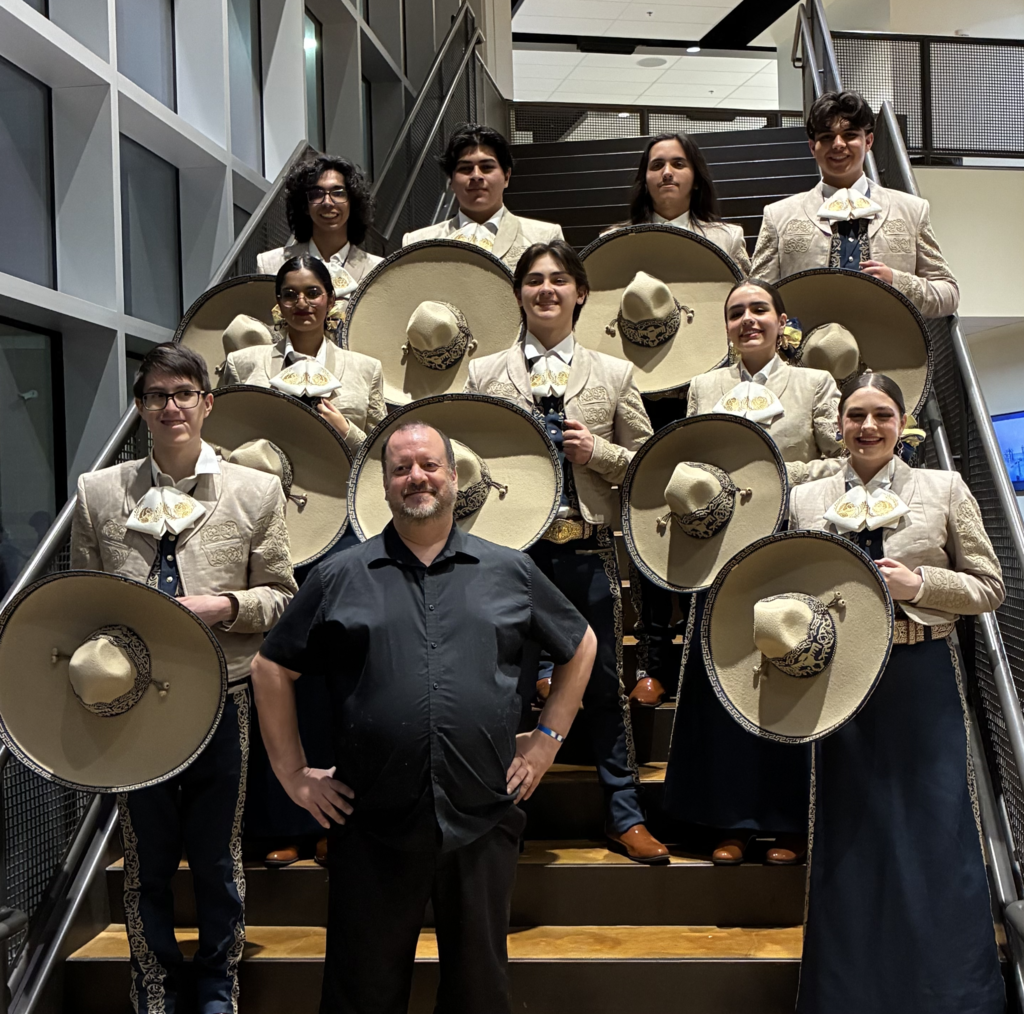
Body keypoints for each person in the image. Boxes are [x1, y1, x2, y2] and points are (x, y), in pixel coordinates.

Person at [250, 420, 597, 1014]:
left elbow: (581, 643)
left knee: (480, 991)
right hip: (370, 821)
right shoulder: (339, 575)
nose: (417, 477)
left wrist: (545, 741)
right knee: (363, 992)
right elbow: (270, 667)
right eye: (402, 468)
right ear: (383, 485)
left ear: (454, 477)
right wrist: (292, 774)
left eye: (429, 465)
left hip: (483, 814)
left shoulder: (509, 569)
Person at [70, 343, 296, 1014]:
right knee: (146, 858)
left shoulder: (254, 490)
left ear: (207, 403)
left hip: (221, 694)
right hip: (130, 704)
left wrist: (225, 605)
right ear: (140, 407)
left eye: (183, 394)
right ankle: (155, 983)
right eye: (157, 395)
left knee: (219, 855)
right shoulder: (99, 491)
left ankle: (219, 982)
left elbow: (283, 595)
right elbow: (82, 597)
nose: (171, 406)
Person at [789, 371, 1005, 1014]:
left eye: (882, 414)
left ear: (903, 423)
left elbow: (989, 586)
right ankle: (848, 994)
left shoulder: (944, 487)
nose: (867, 427)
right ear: (838, 424)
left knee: (938, 830)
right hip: (841, 684)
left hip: (920, 677)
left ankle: (952, 994)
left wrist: (920, 586)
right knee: (849, 834)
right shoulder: (806, 500)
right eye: (856, 415)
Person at [464, 239, 668, 864]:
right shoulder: (483, 374)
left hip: (588, 551)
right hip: (511, 556)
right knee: (504, 686)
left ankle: (623, 813)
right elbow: (468, 464)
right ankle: (497, 815)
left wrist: (597, 454)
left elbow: (648, 466)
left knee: (604, 686)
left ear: (580, 293)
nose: (546, 289)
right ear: (519, 294)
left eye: (558, 280)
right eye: (533, 280)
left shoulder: (613, 374)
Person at [659, 278, 843, 862]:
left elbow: (841, 460)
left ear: (782, 321)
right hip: (720, 553)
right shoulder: (705, 387)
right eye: (736, 313)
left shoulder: (814, 383)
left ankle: (790, 820)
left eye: (759, 309)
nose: (748, 320)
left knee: (789, 673)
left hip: (790, 545)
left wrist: (773, 479)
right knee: (727, 680)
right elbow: (691, 463)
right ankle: (729, 821)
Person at [751, 90, 958, 318]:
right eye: (827, 137)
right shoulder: (779, 216)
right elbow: (756, 297)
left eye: (849, 135)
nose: (838, 144)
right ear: (812, 146)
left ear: (868, 141)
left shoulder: (912, 211)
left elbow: (948, 294)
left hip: (889, 349)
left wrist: (897, 282)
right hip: (807, 351)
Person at [220, 256, 386, 454]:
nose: (301, 303)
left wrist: (347, 432)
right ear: (279, 303)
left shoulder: (366, 370)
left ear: (331, 299)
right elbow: (221, 439)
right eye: (290, 295)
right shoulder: (242, 364)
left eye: (312, 293)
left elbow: (384, 456)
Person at [402, 123, 564, 270]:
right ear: (451, 180)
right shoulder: (418, 243)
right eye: (465, 168)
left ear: (506, 176)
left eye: (487, 167)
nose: (476, 176)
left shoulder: (545, 236)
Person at [605, 131, 750, 274]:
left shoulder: (728, 238)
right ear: (645, 182)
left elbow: (746, 294)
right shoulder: (612, 241)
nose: (667, 172)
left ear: (696, 180)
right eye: (657, 165)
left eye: (678, 164)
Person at [257, 155, 382, 301]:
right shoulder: (270, 264)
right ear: (304, 205)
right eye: (317, 194)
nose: (327, 202)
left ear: (352, 203)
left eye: (338, 193)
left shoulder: (378, 269)